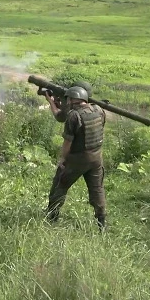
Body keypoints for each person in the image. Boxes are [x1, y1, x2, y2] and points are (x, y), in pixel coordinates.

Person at [44, 86, 107, 231]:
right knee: (97, 190)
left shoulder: (74, 116)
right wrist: (52, 102)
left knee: (60, 185)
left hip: (78, 160)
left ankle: (52, 217)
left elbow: (67, 142)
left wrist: (62, 160)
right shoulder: (99, 110)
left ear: (72, 100)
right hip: (96, 158)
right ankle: (101, 223)